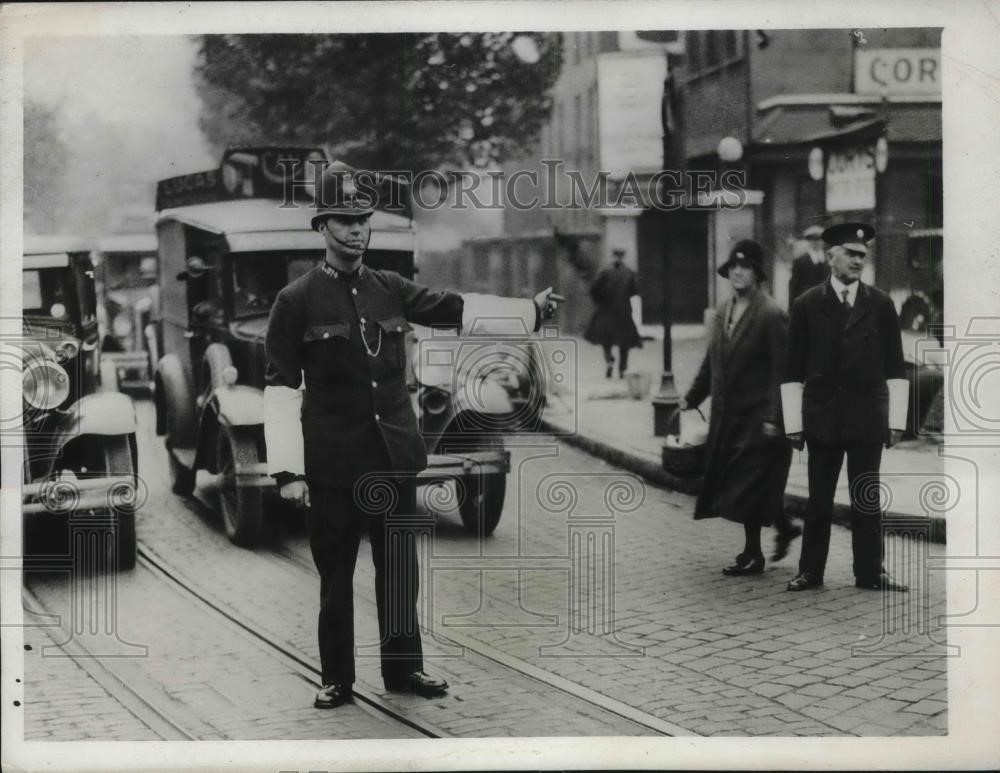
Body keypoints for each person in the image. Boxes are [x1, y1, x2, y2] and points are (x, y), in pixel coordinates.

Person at [263, 168, 562, 709]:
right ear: (322, 226)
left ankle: (405, 671)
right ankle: (337, 679)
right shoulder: (295, 301)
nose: (357, 231)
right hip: (333, 467)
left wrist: (530, 312)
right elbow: (281, 388)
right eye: (345, 222)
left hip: (393, 461)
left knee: (400, 571)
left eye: (362, 221)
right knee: (335, 575)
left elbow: (458, 309)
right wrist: (288, 472)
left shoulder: (390, 289)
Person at [781, 222, 909, 592]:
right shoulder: (807, 304)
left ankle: (871, 572)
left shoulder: (881, 304)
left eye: (862, 255)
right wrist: (794, 423)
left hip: (868, 416)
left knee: (866, 496)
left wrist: (896, 420)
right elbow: (792, 368)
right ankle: (810, 572)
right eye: (850, 254)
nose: (858, 261)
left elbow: (896, 366)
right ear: (831, 255)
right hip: (823, 416)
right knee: (819, 498)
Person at [680, 240, 796, 576]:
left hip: (758, 418)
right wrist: (692, 397)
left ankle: (753, 554)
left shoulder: (771, 315)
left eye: (744, 267)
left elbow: (781, 371)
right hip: (726, 417)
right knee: (742, 482)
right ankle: (785, 526)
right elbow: (711, 361)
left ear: (758, 274)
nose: (737, 272)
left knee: (746, 484)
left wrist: (776, 417)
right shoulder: (721, 312)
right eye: (733, 267)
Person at [584, 248, 641, 378]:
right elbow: (635, 291)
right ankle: (622, 369)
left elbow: (594, 289)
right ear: (623, 257)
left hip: (606, 310)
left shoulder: (605, 272)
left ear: (613, 256)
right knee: (624, 342)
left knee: (606, 340)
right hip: (623, 312)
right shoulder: (629, 273)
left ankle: (609, 361)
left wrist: (600, 301)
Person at [788, 224, 830, 305]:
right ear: (809, 241)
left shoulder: (829, 260)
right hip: (806, 302)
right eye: (814, 240)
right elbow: (794, 286)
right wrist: (792, 307)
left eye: (820, 239)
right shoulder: (800, 261)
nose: (817, 243)